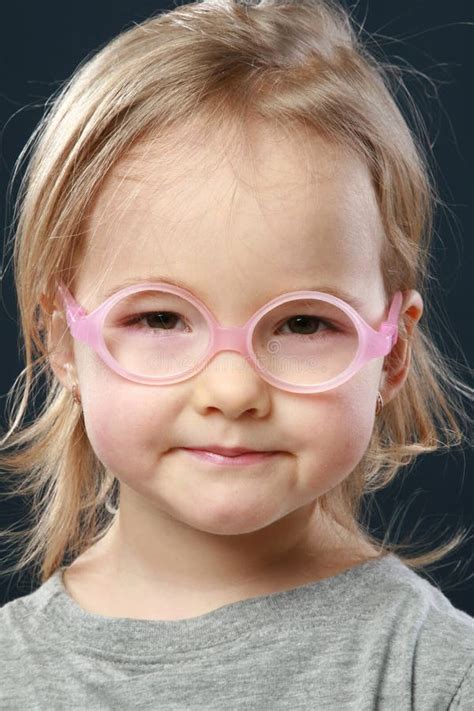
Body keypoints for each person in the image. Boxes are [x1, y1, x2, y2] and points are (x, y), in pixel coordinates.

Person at [0, 0, 472, 708]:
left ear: (393, 348)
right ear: (63, 340)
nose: (232, 388)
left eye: (304, 324)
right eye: (161, 316)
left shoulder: (433, 673)